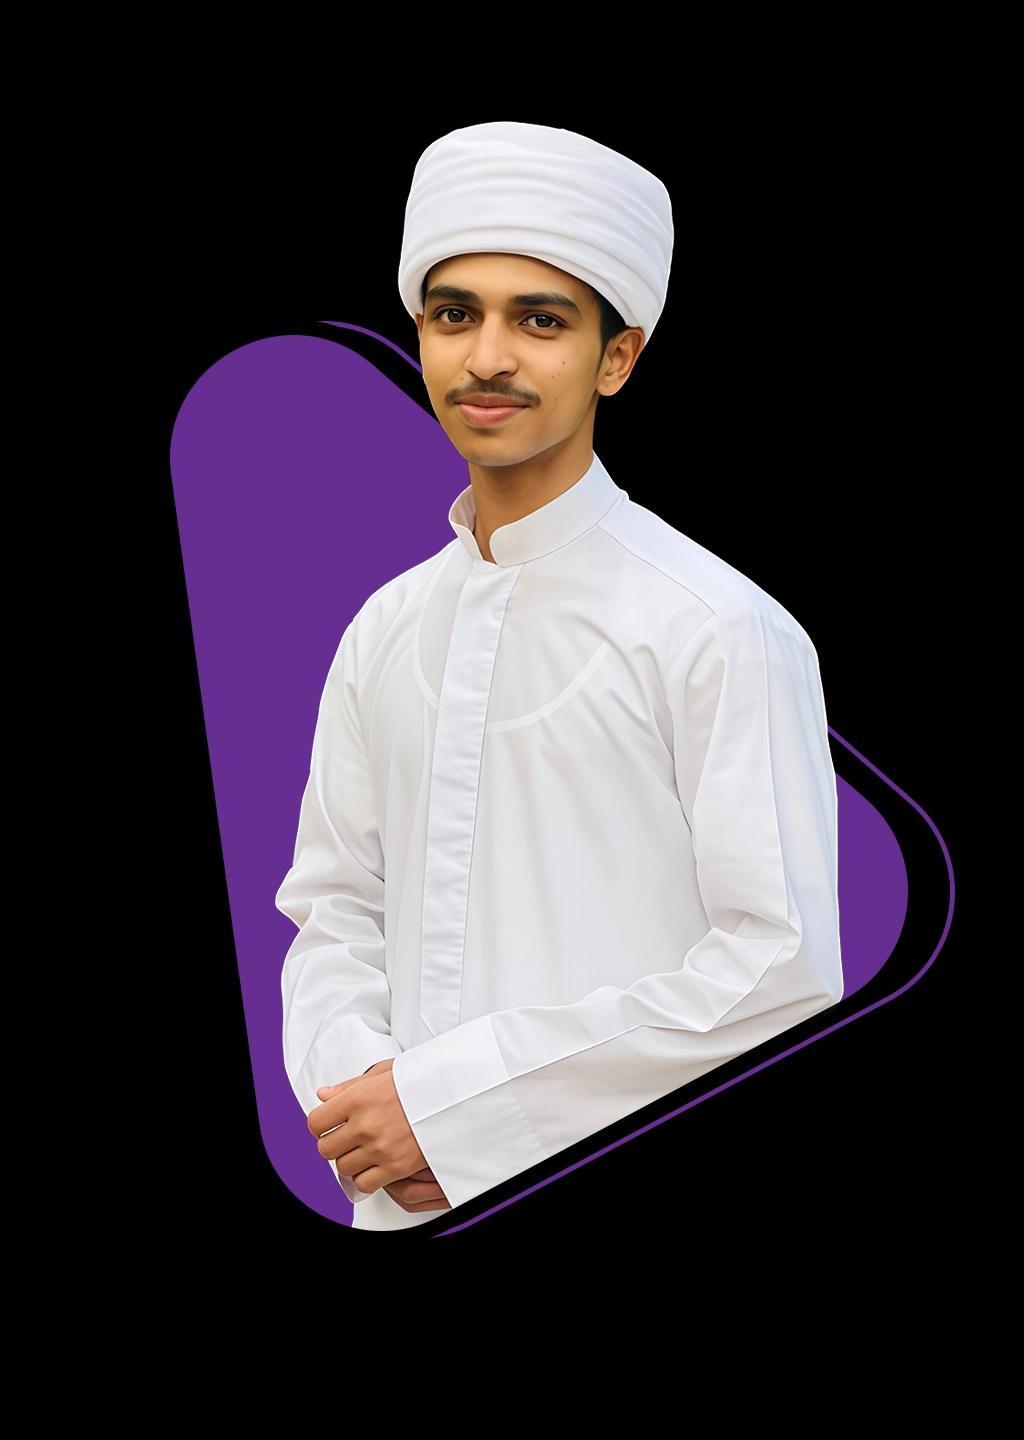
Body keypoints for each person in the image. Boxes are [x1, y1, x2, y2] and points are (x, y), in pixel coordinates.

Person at [276, 121, 844, 1231]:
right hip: (395, 1207)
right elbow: (335, 909)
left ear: (617, 357)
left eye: (539, 320)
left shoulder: (716, 624)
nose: (487, 358)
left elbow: (779, 966)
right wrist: (367, 1115)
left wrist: (463, 1116)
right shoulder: (382, 629)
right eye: (455, 315)